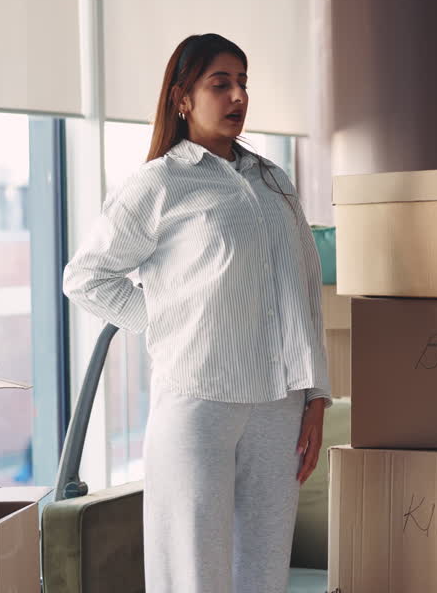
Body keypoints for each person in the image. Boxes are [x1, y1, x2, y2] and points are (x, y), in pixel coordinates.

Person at [63, 33, 331, 593]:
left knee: (262, 569)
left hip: (278, 404)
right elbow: (86, 278)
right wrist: (167, 323)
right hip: (198, 400)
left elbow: (304, 289)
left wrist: (315, 396)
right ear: (183, 98)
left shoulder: (274, 181)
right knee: (192, 570)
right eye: (221, 83)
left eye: (243, 83)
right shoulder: (160, 183)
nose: (238, 96)